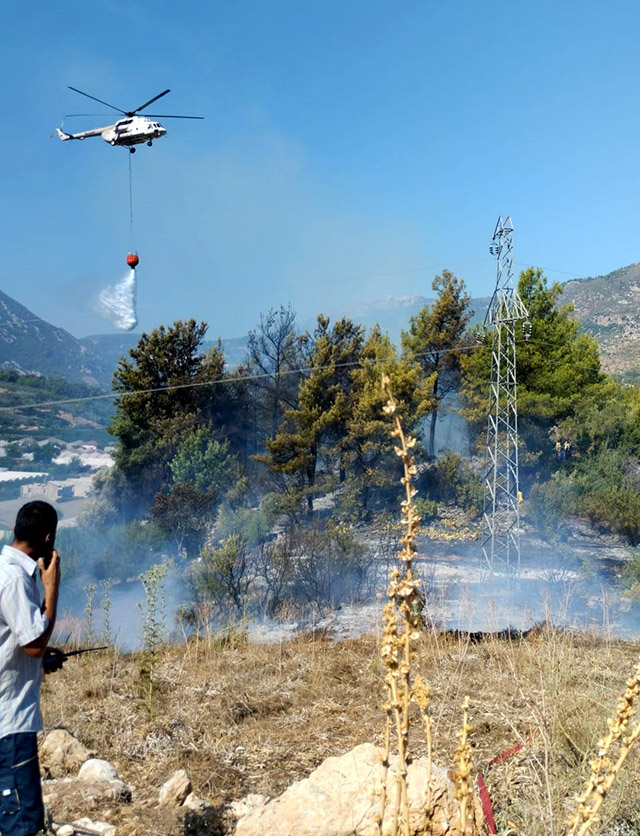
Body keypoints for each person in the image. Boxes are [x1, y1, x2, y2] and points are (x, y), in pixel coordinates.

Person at [0, 501, 60, 836]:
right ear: (48, 538)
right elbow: (34, 645)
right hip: (10, 723)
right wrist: (52, 588)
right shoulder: (15, 581)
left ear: (14, 530)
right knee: (22, 823)